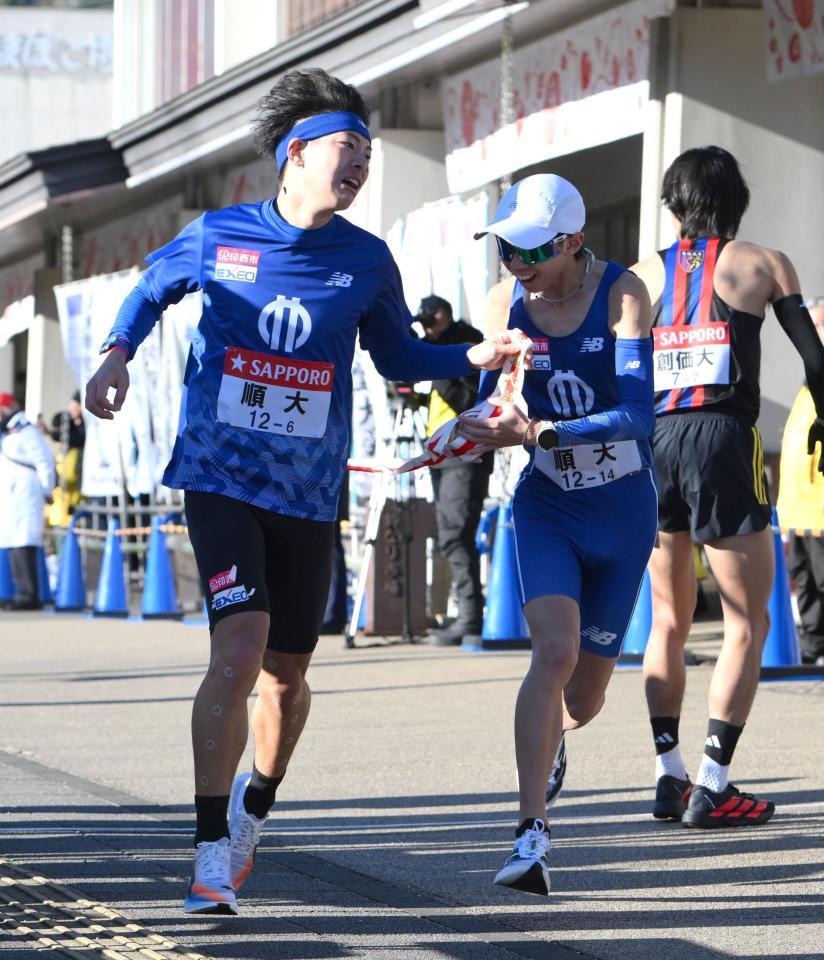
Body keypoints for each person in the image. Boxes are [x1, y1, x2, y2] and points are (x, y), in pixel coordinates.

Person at [83, 68, 522, 916]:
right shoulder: (222, 236)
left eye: (368, 152)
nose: (358, 164)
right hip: (219, 477)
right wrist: (114, 352)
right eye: (345, 149)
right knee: (237, 652)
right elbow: (147, 289)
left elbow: (398, 359)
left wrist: (471, 357)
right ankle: (210, 850)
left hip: (309, 494)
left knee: (286, 675)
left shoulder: (365, 259)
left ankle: (253, 810)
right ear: (295, 154)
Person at [457, 174, 657, 894]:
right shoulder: (503, 301)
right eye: (505, 249)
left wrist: (544, 431)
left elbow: (639, 415)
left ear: (572, 241)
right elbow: (492, 406)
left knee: (586, 699)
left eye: (529, 250)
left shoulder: (623, 292)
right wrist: (473, 430)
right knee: (553, 652)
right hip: (548, 506)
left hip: (623, 508)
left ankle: (557, 741)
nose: (515, 264)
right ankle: (530, 832)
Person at [631, 146, 824, 828]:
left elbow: (611, 368)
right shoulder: (763, 263)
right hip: (722, 438)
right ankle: (713, 783)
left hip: (653, 443)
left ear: (674, 201)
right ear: (735, 198)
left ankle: (668, 774)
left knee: (667, 619)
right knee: (748, 619)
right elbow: (816, 361)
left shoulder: (639, 278)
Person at [417, 294, 493, 645]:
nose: (427, 330)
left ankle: (469, 618)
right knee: (449, 532)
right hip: (442, 452)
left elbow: (469, 400)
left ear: (444, 315)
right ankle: (466, 615)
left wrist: (436, 367)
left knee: (455, 534)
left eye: (430, 322)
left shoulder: (468, 346)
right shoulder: (438, 345)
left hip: (465, 452)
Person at [777, 297, 824, 666]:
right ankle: (811, 649)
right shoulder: (805, 392)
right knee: (805, 584)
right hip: (797, 512)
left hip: (820, 512)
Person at [0, 392, 56, 610]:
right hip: (11, 496)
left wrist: (46, 489)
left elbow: (44, 461)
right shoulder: (6, 433)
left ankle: (28, 594)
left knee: (24, 543)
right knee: (13, 543)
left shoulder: (26, 431)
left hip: (26, 494)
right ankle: (18, 592)